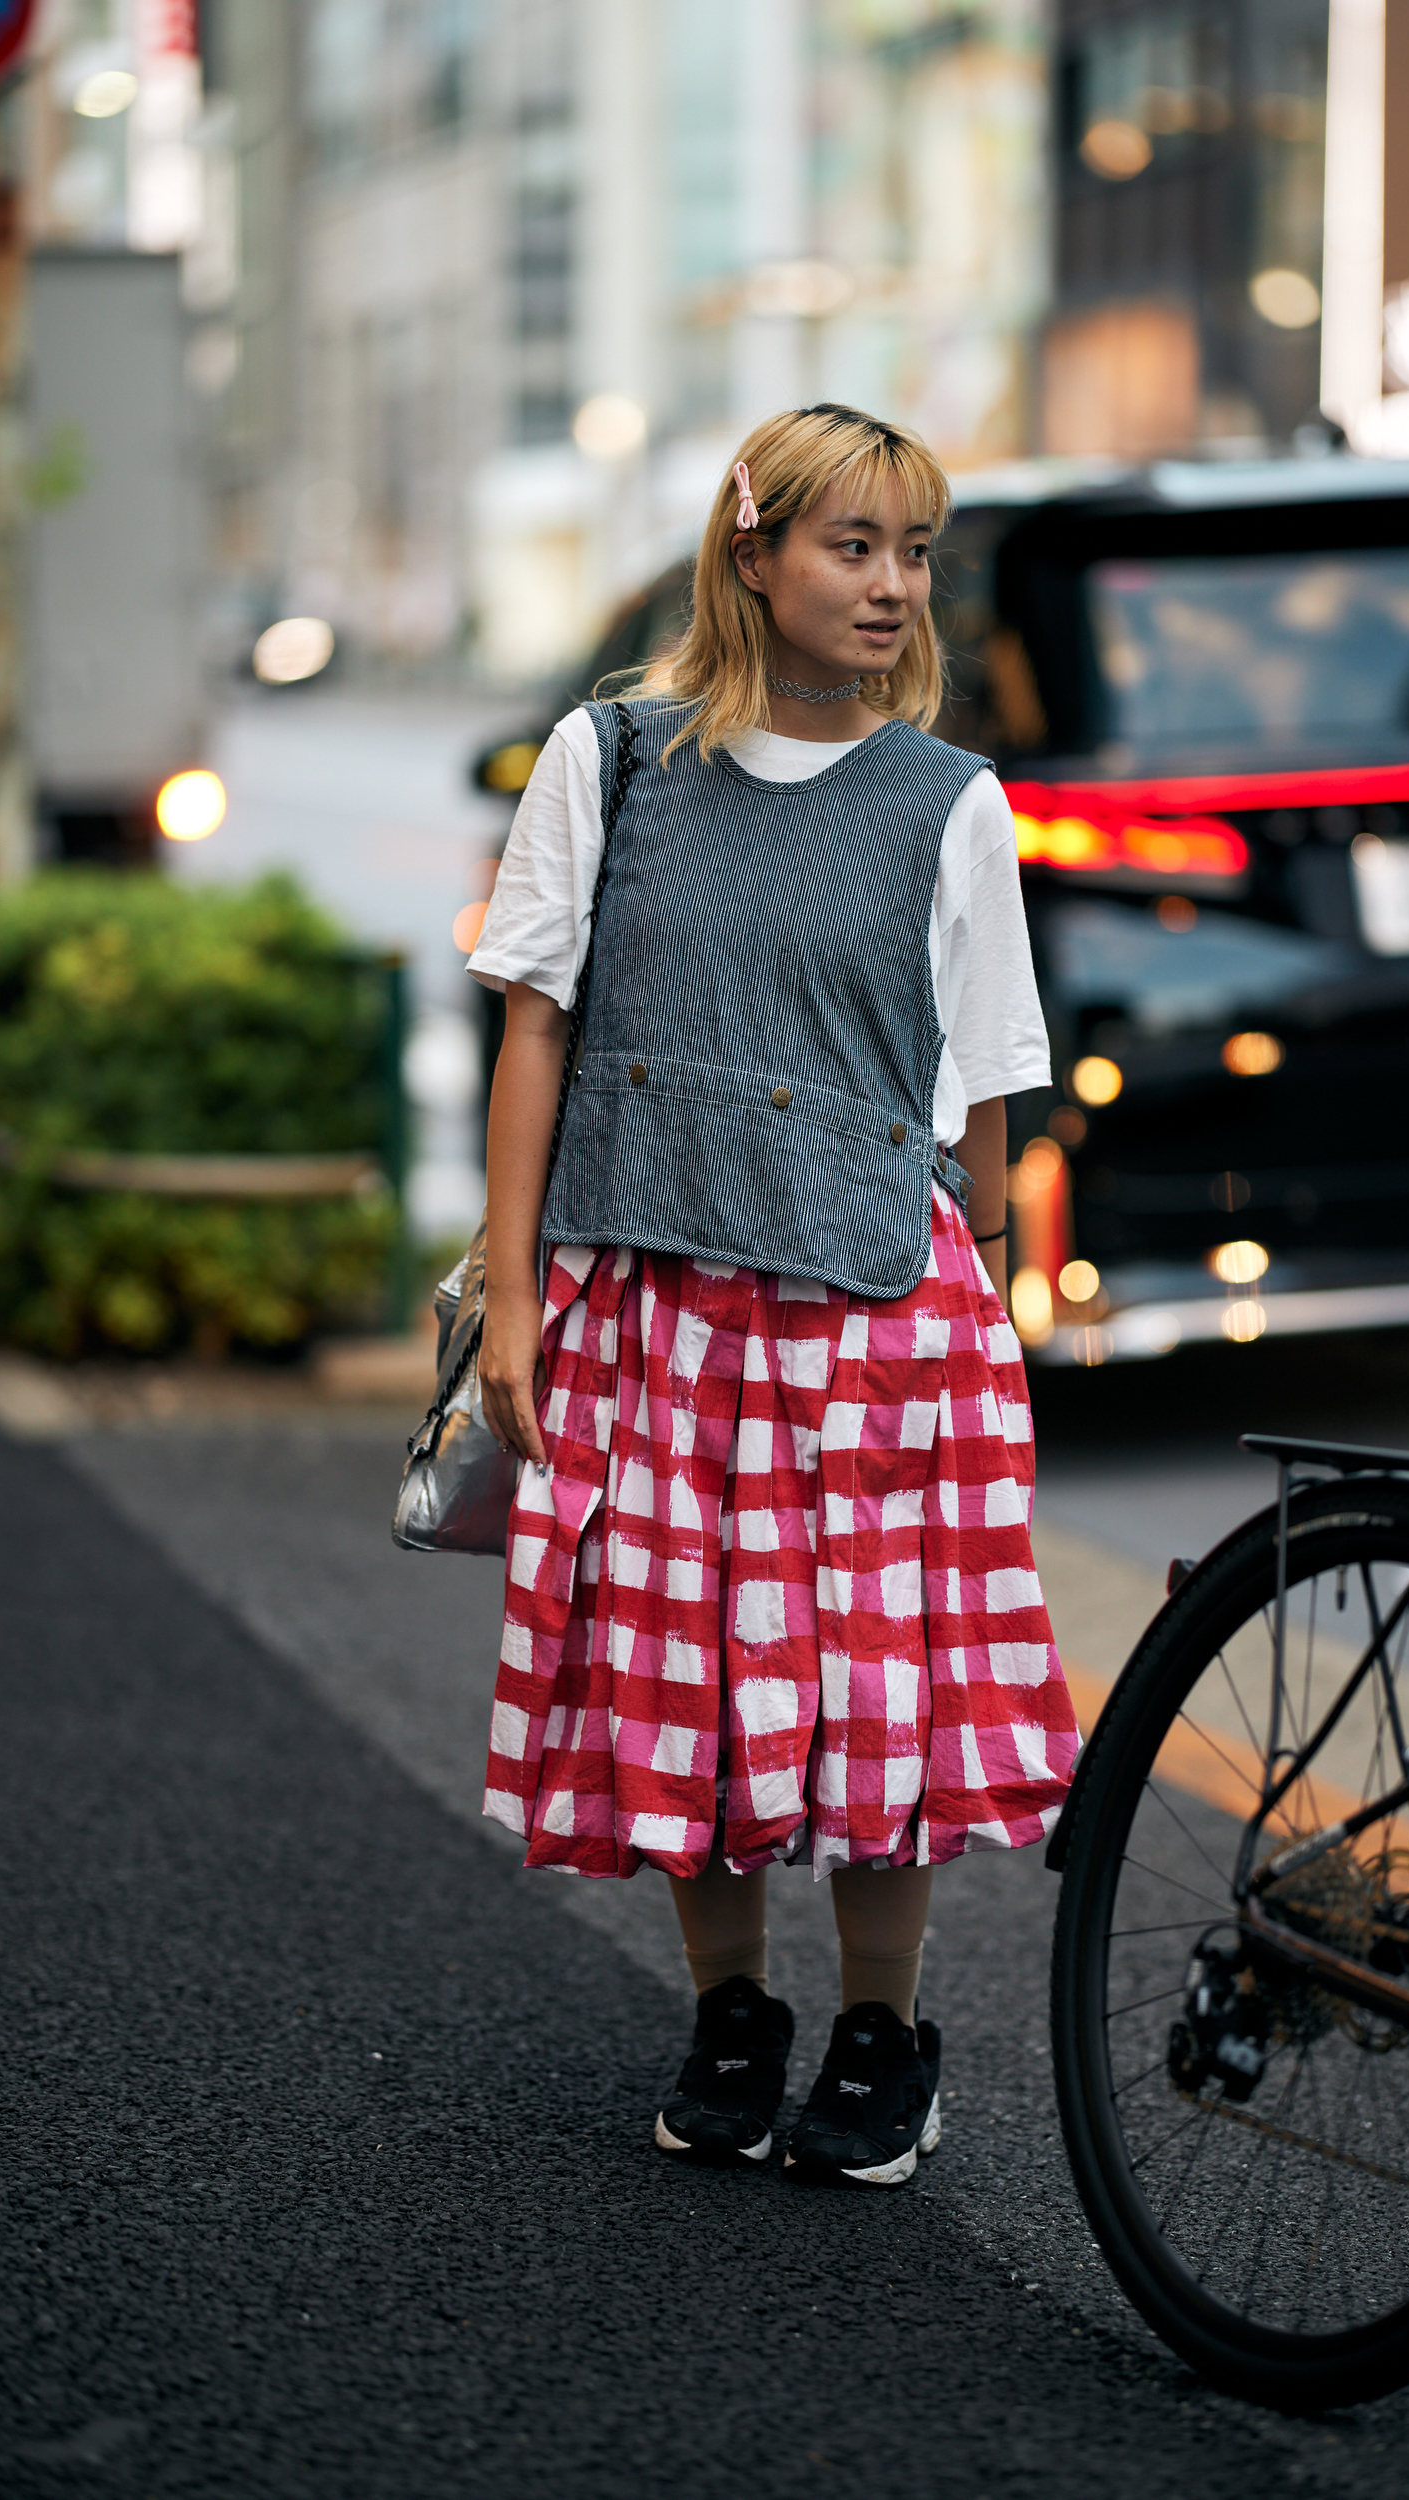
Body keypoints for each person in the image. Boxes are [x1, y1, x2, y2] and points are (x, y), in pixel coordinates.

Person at [465, 401, 1077, 2188]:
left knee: (877, 1696)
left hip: (878, 1315)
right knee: (688, 1685)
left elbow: (985, 1098)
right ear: (752, 552)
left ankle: (883, 2034)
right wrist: (515, 1294)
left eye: (911, 555)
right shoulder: (615, 759)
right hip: (654, 1305)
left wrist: (993, 1329)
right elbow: (536, 1027)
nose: (890, 588)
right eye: (851, 546)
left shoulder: (953, 804)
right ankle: (733, 2011)